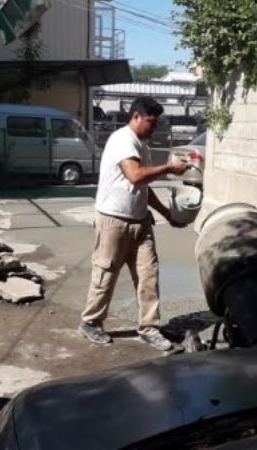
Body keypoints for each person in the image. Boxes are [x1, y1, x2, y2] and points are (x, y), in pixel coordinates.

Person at [79, 97, 188, 350]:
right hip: (113, 220)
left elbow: (144, 189)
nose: (154, 128)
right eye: (151, 122)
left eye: (156, 123)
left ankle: (149, 328)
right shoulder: (122, 139)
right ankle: (90, 322)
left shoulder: (142, 145)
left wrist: (167, 215)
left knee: (149, 276)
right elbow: (136, 176)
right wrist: (169, 168)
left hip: (141, 222)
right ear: (136, 116)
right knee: (105, 274)